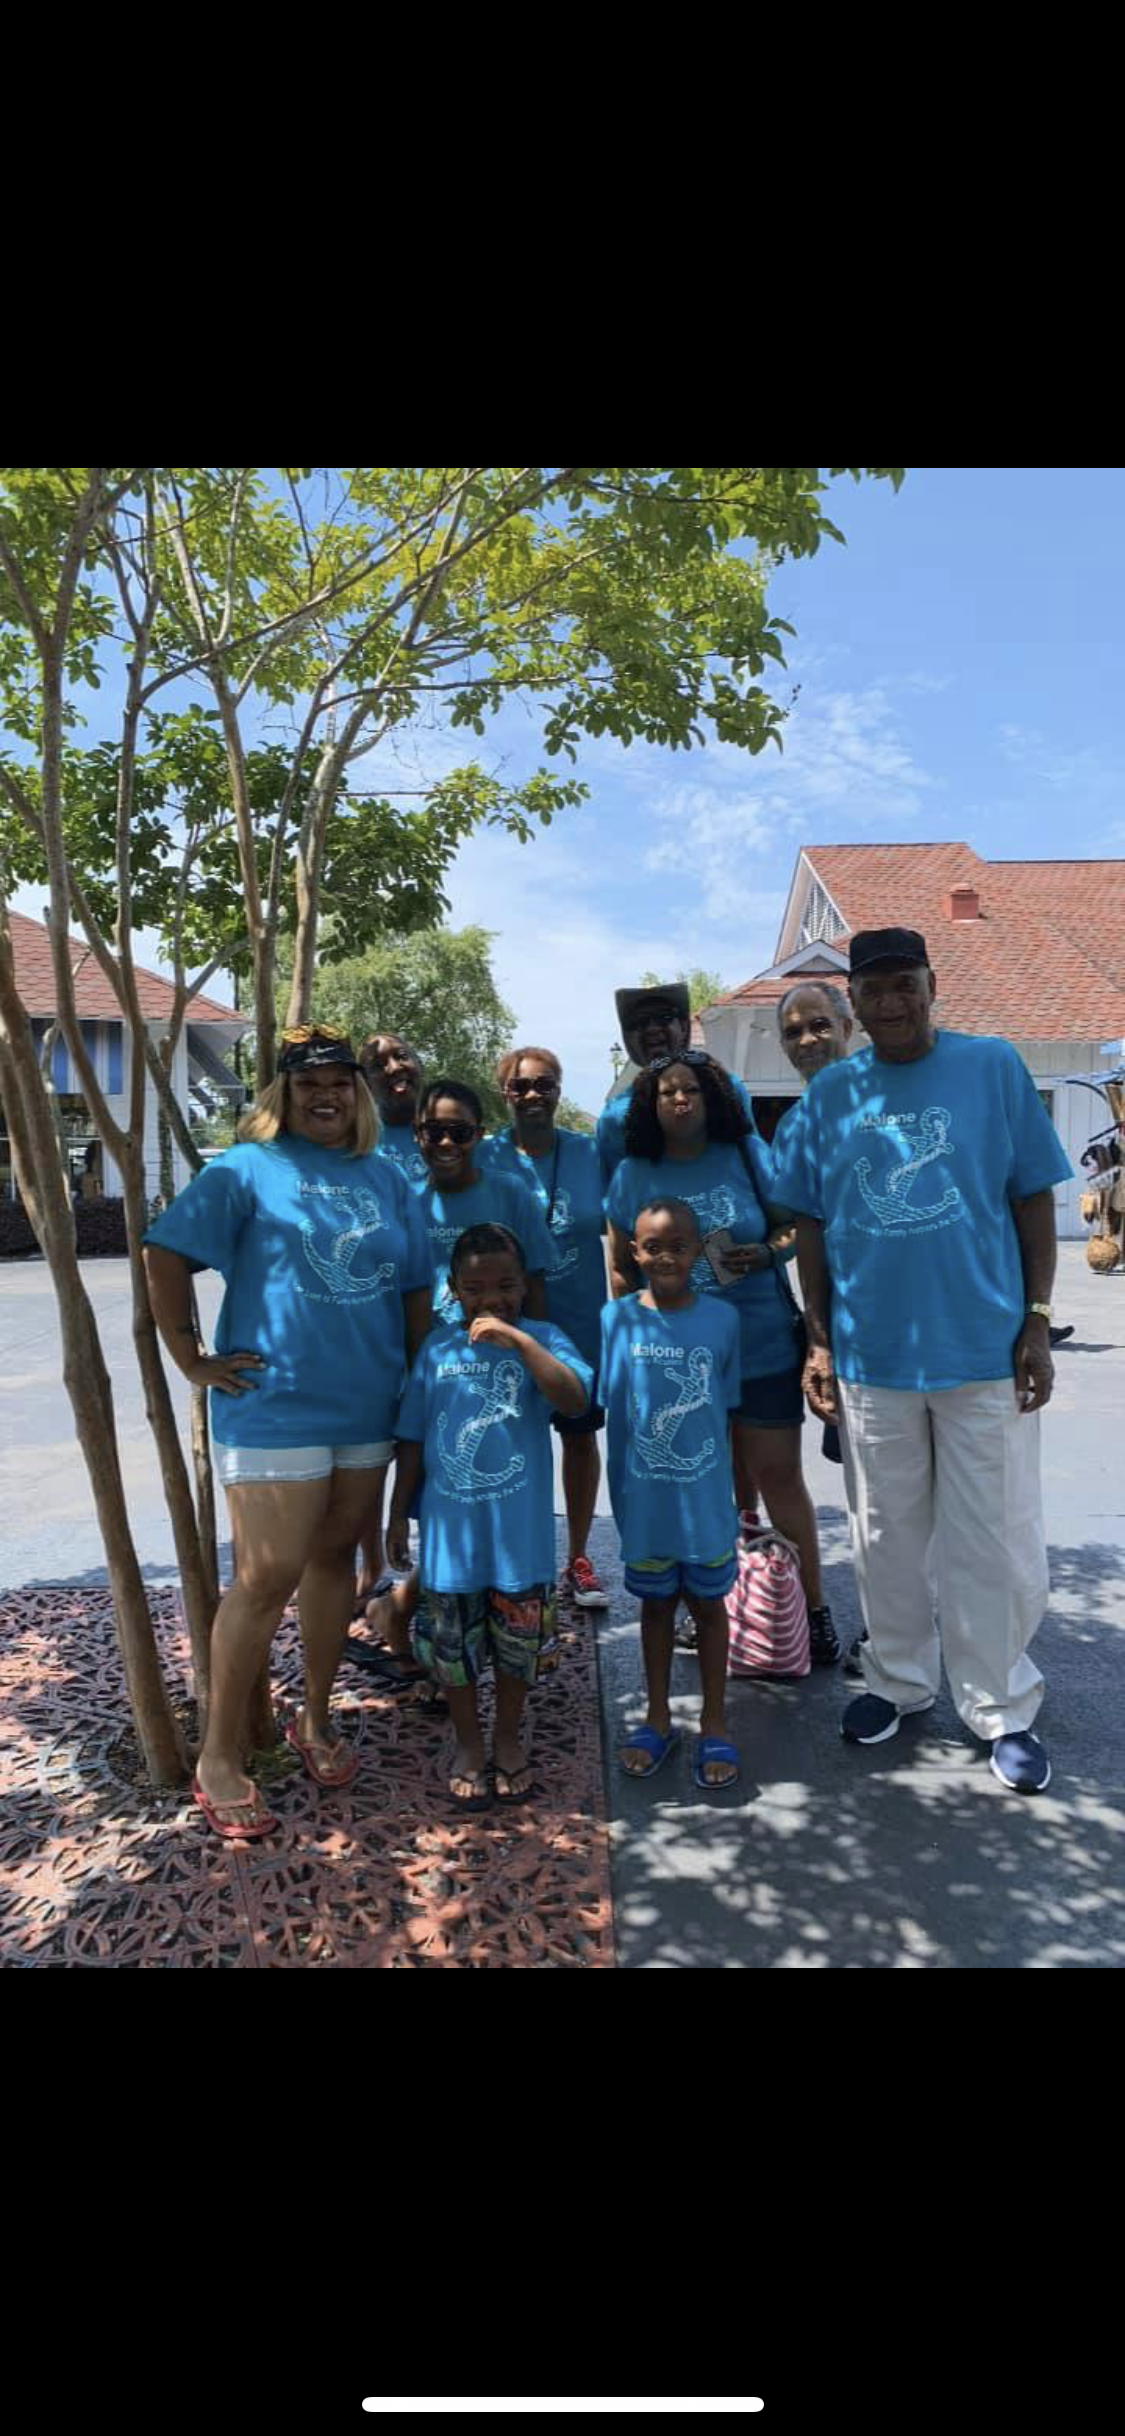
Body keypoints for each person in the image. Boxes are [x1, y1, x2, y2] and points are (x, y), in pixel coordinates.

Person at [773, 925, 1071, 1794]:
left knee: (992, 1539)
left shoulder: (991, 1067)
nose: (891, 1002)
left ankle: (1000, 1706)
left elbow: (1031, 1198)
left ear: (931, 986)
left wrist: (1036, 1321)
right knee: (884, 1536)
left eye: (905, 984)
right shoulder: (830, 1096)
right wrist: (818, 1339)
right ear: (854, 1005)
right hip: (872, 1359)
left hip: (982, 1350)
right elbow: (809, 1227)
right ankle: (898, 1681)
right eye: (874, 990)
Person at [142, 1024, 433, 1838]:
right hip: (272, 1406)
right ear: (284, 1093)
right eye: (309, 1085)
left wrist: (415, 1383)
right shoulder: (246, 1169)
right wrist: (190, 1357)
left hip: (366, 1405)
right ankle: (218, 1754)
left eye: (340, 1083)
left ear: (357, 1093)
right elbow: (164, 1253)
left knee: (334, 1561)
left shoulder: (387, 1177)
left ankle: (315, 1716)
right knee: (266, 1574)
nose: (326, 1096)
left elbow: (415, 1288)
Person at [605, 1050, 840, 1664]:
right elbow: (621, 1268)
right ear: (650, 1104)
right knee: (705, 1483)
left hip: (759, 1343)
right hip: (673, 1364)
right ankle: (721, 1609)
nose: (680, 1100)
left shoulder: (746, 1154)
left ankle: (811, 1610)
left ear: (713, 1098)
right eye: (667, 1092)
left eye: (692, 1089)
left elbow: (792, 1227)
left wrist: (766, 1254)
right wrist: (631, 1342)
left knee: (778, 1476)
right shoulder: (632, 1173)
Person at [387, 1222, 593, 1807]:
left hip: (519, 1543)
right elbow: (412, 1437)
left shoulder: (544, 1339)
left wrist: (521, 1344)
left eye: (505, 1286)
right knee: (453, 1656)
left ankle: (506, 1736)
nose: (491, 1300)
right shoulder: (437, 1350)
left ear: (525, 1286)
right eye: (475, 1289)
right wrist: (398, 1513)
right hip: (451, 1543)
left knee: (517, 1650)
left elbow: (574, 1398)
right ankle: (469, 1743)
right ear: (454, 1290)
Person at [358, 1079, 556, 1683]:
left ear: (479, 1134)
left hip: (501, 1377)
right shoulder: (407, 1200)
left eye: (460, 1131)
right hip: (434, 1374)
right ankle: (418, 1629)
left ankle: (408, 1613)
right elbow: (398, 1292)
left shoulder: (510, 1192)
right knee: (443, 1512)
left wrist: (533, 1359)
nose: (446, 1143)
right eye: (434, 1131)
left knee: (479, 1507)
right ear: (416, 1135)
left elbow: (535, 1286)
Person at [602, 1198, 742, 1790]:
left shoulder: (723, 1320)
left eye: (678, 1246)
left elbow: (726, 1414)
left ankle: (714, 1721)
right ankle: (657, 1716)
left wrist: (739, 1502)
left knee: (709, 1608)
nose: (665, 1257)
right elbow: (616, 1413)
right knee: (656, 1607)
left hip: (704, 1505)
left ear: (697, 1252)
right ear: (633, 1253)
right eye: (652, 1247)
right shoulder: (615, 1319)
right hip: (646, 1505)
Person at [480, 1047, 610, 1610]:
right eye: (521, 1085)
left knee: (579, 1438)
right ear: (504, 1093)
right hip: (506, 1328)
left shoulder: (589, 1153)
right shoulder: (485, 1156)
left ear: (559, 1089)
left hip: (578, 1325)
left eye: (545, 1084)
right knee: (506, 1443)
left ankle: (577, 1557)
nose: (533, 1094)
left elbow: (622, 1232)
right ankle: (507, 1561)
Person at [775, 980, 867, 1676]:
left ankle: (931, 1639)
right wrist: (818, 1338)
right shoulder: (793, 1128)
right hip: (846, 1335)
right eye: (793, 1031)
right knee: (870, 1502)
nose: (807, 1039)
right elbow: (795, 1230)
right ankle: (886, 1633)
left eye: (818, 1025)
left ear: (847, 1026)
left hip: (925, 1334)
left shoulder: (881, 1096)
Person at [596, 981, 760, 1188]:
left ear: (683, 1027)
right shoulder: (613, 1117)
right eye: (639, 1021)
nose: (652, 1028)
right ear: (628, 1038)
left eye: (664, 1017)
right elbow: (612, 1193)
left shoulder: (727, 1089)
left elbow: (756, 1163)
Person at [358, 1032, 429, 1186]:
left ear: (419, 1064)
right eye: (377, 1066)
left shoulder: (457, 1132)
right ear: (365, 1084)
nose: (395, 1068)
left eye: (402, 1056)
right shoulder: (358, 1140)